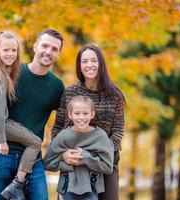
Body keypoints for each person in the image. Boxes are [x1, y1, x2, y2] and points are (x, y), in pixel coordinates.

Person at [0, 29, 65, 200]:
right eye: (45, 46)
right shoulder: (13, 71)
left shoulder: (57, 87)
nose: (48, 51)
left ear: (59, 54)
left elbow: (66, 121)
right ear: (35, 46)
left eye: (54, 49)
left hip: (32, 160)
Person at [51, 44, 125, 200]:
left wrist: (98, 155)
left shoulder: (115, 95)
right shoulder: (70, 92)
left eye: (94, 60)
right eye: (84, 61)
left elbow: (118, 131)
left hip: (105, 161)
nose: (89, 65)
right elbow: (58, 127)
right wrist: (63, 153)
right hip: (74, 161)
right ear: (79, 65)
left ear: (101, 63)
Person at [44, 95, 114, 200]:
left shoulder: (100, 136)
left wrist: (85, 157)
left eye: (85, 113)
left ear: (92, 114)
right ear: (70, 115)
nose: (81, 117)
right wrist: (66, 161)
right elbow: (47, 163)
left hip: (92, 188)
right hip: (67, 188)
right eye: (77, 113)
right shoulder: (63, 136)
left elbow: (108, 167)